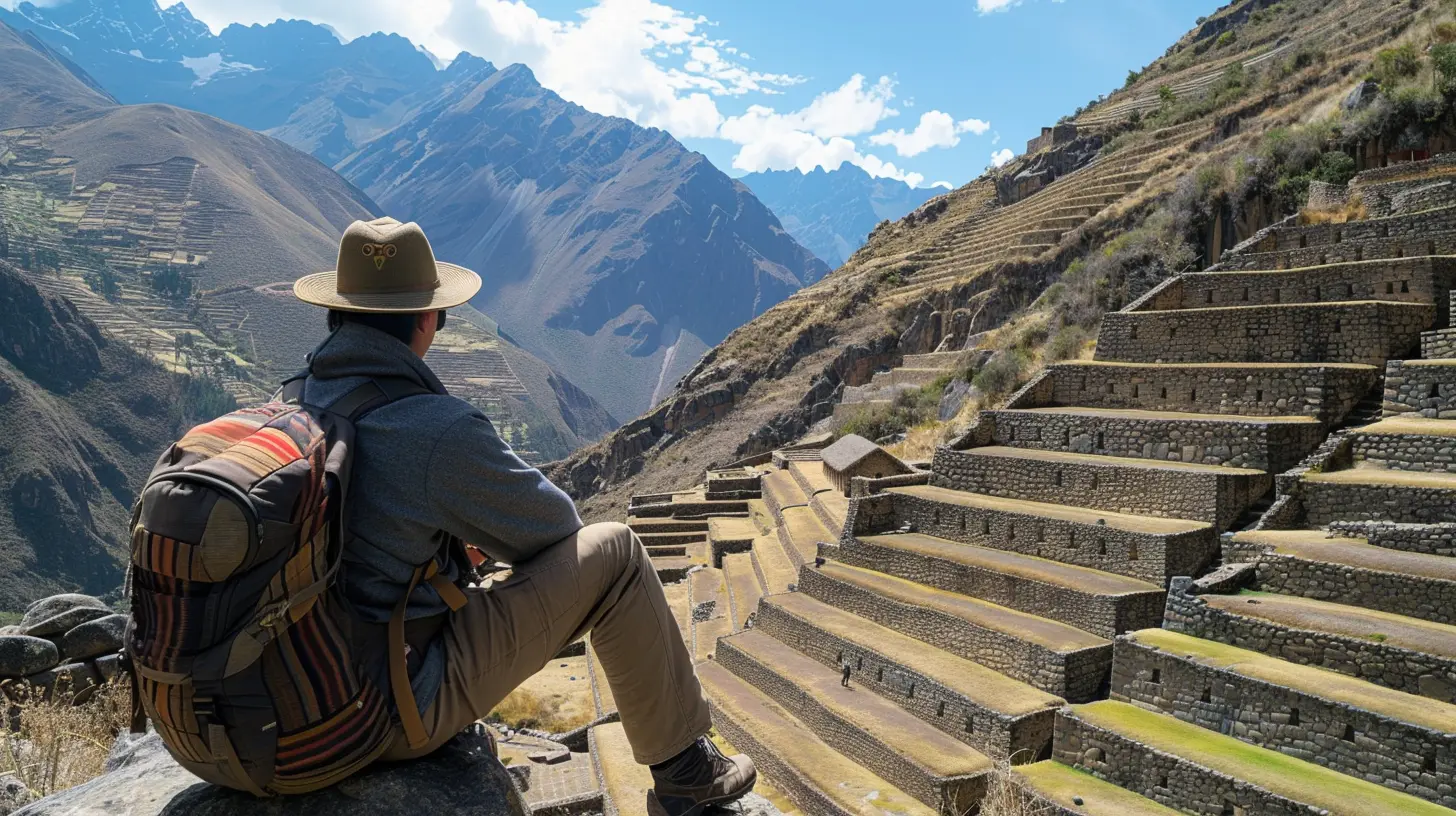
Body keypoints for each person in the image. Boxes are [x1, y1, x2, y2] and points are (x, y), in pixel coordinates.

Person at [292, 217, 756, 815]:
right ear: (428, 318)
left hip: (250, 711)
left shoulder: (294, 399)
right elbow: (557, 529)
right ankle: (685, 769)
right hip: (371, 711)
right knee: (614, 552)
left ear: (338, 312)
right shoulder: (434, 426)